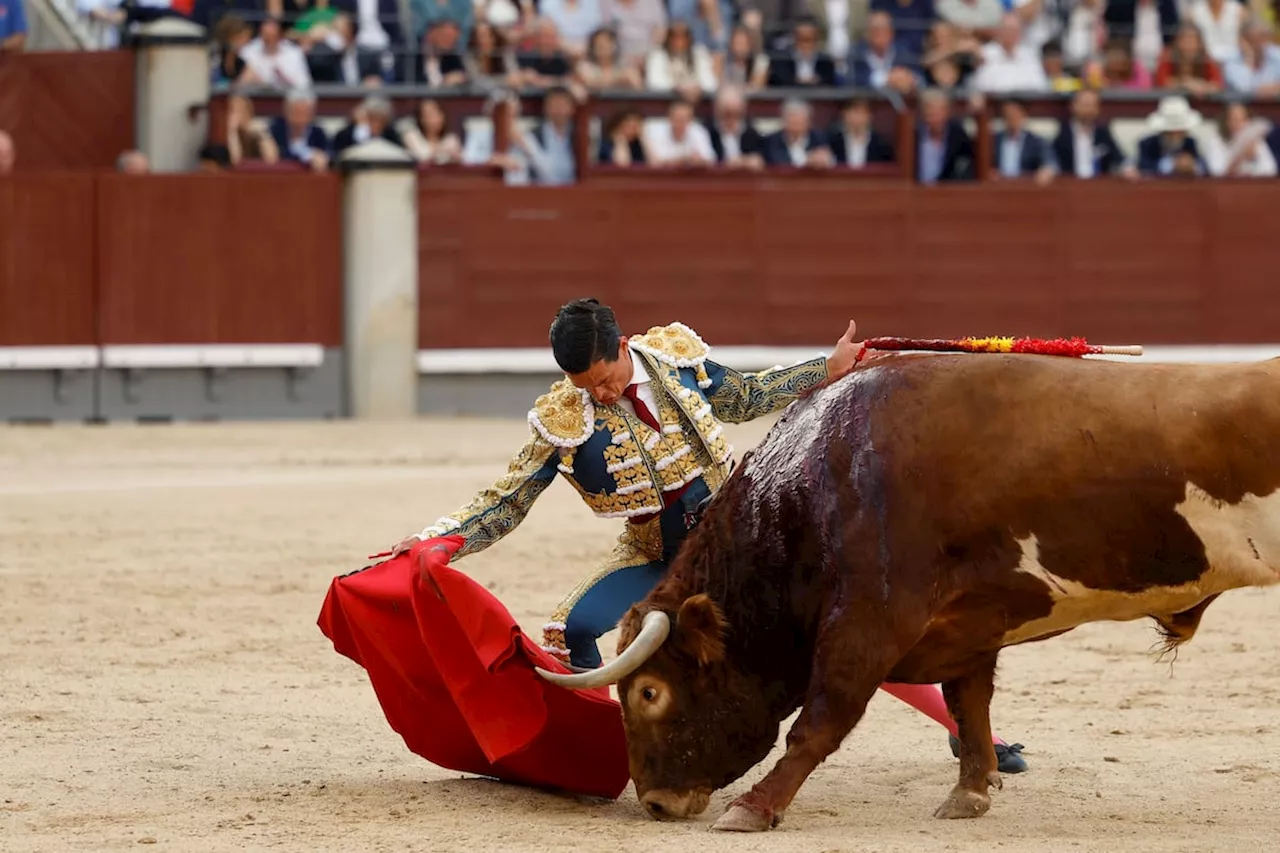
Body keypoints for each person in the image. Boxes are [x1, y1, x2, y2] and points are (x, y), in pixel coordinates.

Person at [391, 298, 1031, 773]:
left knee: (840, 626)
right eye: (588, 390)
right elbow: (509, 497)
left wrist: (825, 369)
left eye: (606, 380)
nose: (604, 397)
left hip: (737, 544)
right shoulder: (563, 416)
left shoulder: (674, 361)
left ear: (620, 346)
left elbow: (747, 395)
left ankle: (972, 734)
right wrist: (439, 541)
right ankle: (614, 755)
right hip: (656, 555)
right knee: (571, 628)